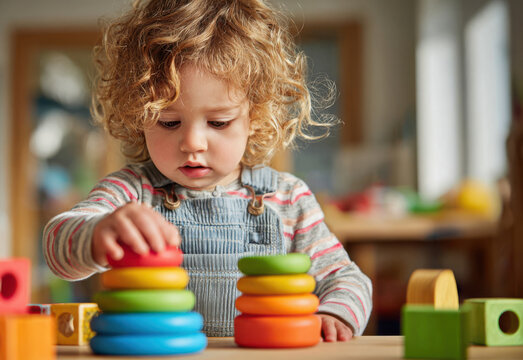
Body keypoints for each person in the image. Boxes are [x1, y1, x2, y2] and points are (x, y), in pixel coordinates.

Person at [43, 0, 372, 342]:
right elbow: (56, 246)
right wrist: (97, 234)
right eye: (168, 122)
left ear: (254, 118)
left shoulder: (288, 200)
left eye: (218, 122)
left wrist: (335, 312)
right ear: (140, 117)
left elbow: (347, 278)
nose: (192, 142)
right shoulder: (131, 191)